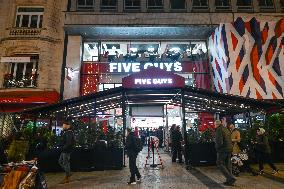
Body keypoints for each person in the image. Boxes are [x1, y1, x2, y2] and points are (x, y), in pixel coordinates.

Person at [215, 120, 236, 186]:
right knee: (228, 164)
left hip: (223, 149)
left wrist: (217, 148)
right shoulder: (225, 128)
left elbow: (219, 142)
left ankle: (230, 178)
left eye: (214, 124)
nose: (214, 126)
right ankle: (229, 181)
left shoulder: (219, 129)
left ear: (216, 124)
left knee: (219, 163)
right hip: (229, 148)